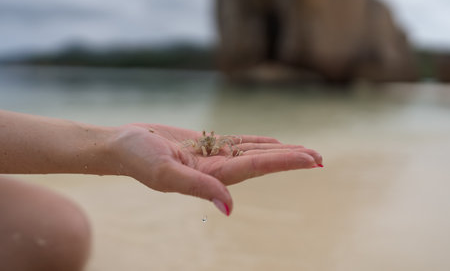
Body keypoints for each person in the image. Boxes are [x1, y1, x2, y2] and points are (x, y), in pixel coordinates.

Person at [0, 109, 323, 271]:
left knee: (55, 228)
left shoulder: (213, 143)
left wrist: (112, 143)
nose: (211, 141)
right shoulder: (201, 142)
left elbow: (217, 145)